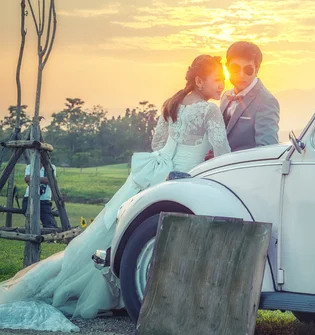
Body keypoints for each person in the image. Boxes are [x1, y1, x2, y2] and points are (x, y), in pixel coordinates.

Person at [0, 54, 231, 329]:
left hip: (157, 171)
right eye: (218, 79)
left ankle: (114, 288)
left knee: (118, 232)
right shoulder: (209, 111)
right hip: (182, 178)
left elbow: (158, 142)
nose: (223, 85)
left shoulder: (173, 104)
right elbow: (223, 153)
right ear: (199, 80)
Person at [205, 41, 279, 160]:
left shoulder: (266, 102)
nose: (241, 74)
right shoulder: (226, 96)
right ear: (227, 67)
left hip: (244, 173)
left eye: (248, 70)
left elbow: (267, 152)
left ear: (257, 69)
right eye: (235, 68)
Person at [22, 163, 59, 229]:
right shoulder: (30, 166)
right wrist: (43, 179)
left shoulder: (51, 167)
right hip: (29, 199)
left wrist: (33, 178)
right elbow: (27, 179)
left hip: (44, 200)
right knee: (32, 222)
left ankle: (47, 237)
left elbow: (50, 180)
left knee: (50, 224)